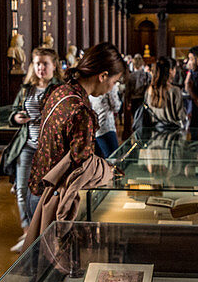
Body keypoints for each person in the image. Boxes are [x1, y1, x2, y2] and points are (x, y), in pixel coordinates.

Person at [26, 42, 126, 212]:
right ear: (102, 76)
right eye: (114, 82)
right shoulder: (81, 110)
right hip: (52, 199)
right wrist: (108, 171)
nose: (112, 88)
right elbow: (82, 166)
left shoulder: (61, 91)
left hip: (38, 189)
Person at [9, 47, 62, 230]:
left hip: (51, 149)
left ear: (54, 65)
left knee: (48, 191)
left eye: (45, 64)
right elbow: (14, 111)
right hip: (28, 145)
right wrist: (17, 118)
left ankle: (46, 227)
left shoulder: (59, 89)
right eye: (37, 63)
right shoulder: (27, 89)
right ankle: (27, 230)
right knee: (22, 189)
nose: (41, 68)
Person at [144, 56, 187, 130]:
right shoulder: (174, 90)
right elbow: (181, 116)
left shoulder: (149, 90)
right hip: (172, 135)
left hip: (154, 134)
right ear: (170, 70)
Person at [90, 79, 122, 158]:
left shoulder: (91, 86)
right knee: (113, 157)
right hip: (107, 126)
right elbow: (116, 107)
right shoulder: (109, 86)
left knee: (101, 158)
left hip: (96, 128)